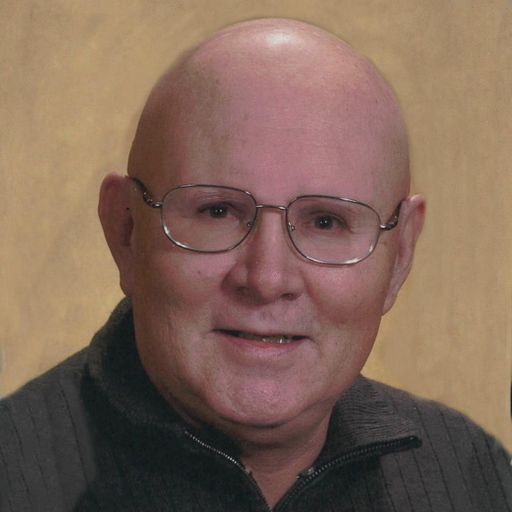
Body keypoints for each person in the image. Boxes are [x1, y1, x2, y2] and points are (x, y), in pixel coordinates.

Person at [1, 18, 510, 512]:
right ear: (126, 231)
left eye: (326, 222)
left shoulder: (477, 478)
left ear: (399, 256)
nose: (267, 279)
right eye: (217, 212)